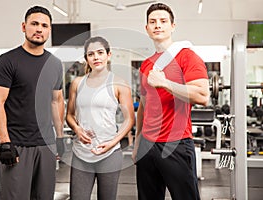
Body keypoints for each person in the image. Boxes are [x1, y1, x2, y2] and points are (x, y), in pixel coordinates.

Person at [132, 3, 210, 200]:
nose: (158, 25)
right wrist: (137, 142)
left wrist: (165, 83)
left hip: (175, 144)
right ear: (147, 28)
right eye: (153, 22)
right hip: (147, 146)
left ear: (173, 26)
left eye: (163, 21)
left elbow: (202, 96)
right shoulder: (146, 64)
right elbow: (143, 106)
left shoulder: (187, 57)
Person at [0, 6, 64, 200]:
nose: (39, 29)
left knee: (44, 196)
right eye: (34, 24)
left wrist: (61, 137)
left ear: (49, 30)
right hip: (17, 145)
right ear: (24, 27)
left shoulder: (55, 64)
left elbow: (56, 102)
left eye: (44, 25)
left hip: (45, 145)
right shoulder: (7, 61)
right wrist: (5, 142)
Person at [66, 36, 135, 200]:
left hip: (109, 154)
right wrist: (77, 129)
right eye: (91, 54)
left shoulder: (119, 83)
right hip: (81, 153)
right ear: (86, 59)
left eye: (100, 52)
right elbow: (69, 115)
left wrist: (112, 142)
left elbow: (129, 119)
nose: (96, 57)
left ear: (108, 55)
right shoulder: (77, 83)